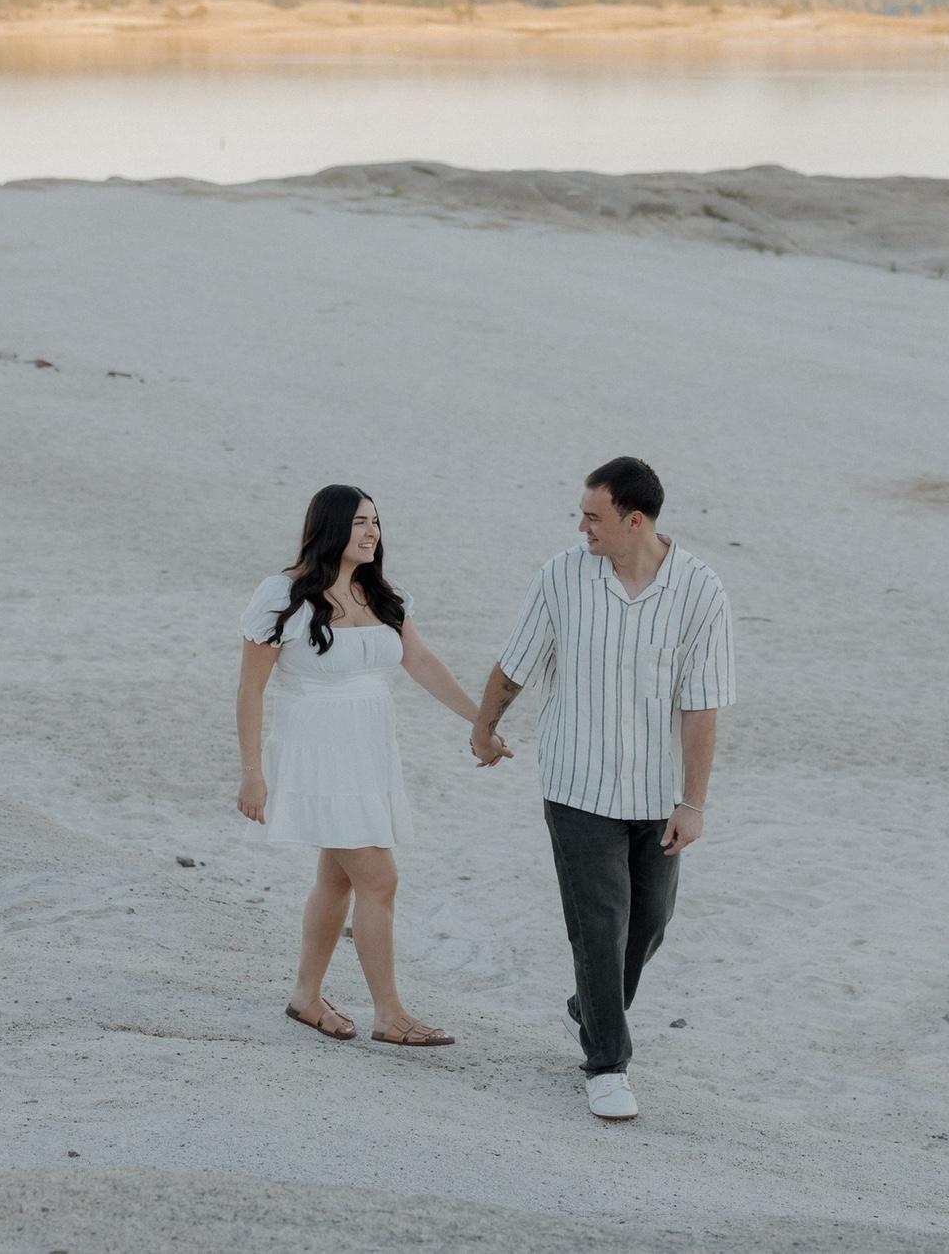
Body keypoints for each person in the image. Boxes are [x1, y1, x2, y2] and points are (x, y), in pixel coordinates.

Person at [471, 457, 735, 1120]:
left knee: (649, 923)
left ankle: (586, 1011)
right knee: (600, 925)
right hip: (577, 784)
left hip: (657, 792)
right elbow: (515, 665)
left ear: (634, 520)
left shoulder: (700, 590)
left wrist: (694, 802)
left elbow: (701, 705)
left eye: (593, 516)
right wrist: (484, 728)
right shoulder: (561, 576)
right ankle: (607, 1063)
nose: (581, 527)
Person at [237, 484, 493, 1047]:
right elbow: (250, 690)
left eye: (375, 521)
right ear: (329, 526)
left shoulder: (381, 595)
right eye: (359, 522)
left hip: (368, 753)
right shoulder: (283, 595)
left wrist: (480, 722)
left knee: (337, 878)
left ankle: (306, 996)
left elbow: (420, 661)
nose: (371, 531)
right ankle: (390, 1014)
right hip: (316, 754)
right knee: (379, 878)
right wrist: (253, 772)